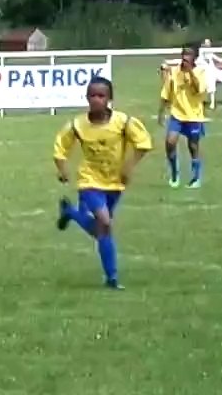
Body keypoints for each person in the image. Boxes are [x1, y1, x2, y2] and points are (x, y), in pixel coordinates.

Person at [53, 77, 153, 289]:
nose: (96, 100)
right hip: (89, 180)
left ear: (110, 98)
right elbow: (60, 148)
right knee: (105, 223)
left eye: (101, 95)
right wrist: (62, 170)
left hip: (115, 182)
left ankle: (70, 213)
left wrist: (129, 166)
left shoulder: (123, 122)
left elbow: (144, 143)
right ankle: (113, 277)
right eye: (92, 95)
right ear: (86, 97)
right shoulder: (78, 125)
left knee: (100, 231)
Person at [158, 43, 209, 188]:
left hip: (194, 116)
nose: (185, 57)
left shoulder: (200, 72)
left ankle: (196, 178)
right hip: (177, 114)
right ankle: (175, 174)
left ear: (194, 58)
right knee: (170, 142)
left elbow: (198, 90)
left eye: (188, 55)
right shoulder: (174, 72)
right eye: (183, 54)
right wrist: (161, 112)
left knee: (193, 147)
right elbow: (166, 92)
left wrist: (190, 73)